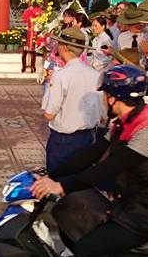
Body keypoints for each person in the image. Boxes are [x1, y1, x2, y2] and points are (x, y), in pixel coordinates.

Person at [32, 65, 148, 257]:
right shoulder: (124, 121)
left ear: (113, 98)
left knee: (88, 249)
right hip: (131, 204)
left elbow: (107, 168)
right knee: (70, 219)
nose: (103, 99)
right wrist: (49, 174)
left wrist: (61, 186)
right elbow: (91, 154)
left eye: (105, 94)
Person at [42, 28, 103, 175]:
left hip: (64, 140)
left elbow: (49, 114)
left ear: (63, 48)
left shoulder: (61, 76)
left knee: (58, 181)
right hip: (89, 137)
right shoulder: (95, 75)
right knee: (80, 181)